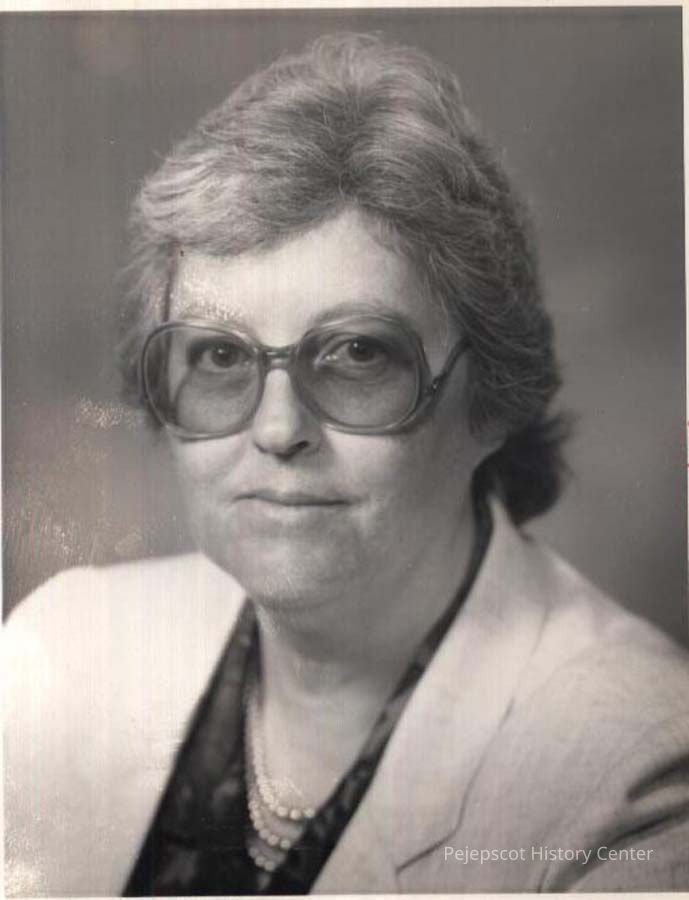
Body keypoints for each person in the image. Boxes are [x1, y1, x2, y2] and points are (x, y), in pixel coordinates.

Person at [4, 32, 689, 897]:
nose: (278, 429)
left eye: (358, 354)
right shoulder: (60, 653)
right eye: (219, 357)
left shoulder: (626, 767)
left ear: (487, 400)